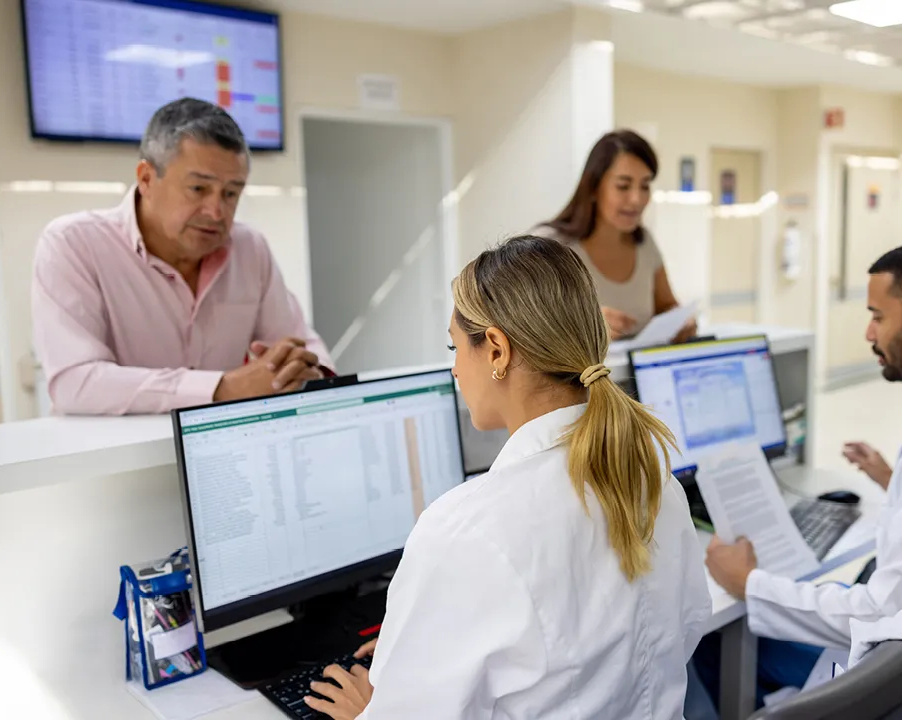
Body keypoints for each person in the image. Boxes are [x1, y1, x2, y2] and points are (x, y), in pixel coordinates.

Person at [300, 235, 711, 719]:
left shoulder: (467, 530)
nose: (454, 368)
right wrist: (416, 651)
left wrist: (371, 710)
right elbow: (680, 632)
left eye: (455, 347)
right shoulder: (649, 473)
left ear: (496, 349)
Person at [32, 98, 332, 415]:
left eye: (231, 193)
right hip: (119, 459)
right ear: (146, 178)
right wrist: (223, 388)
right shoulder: (74, 244)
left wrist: (306, 372)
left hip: (220, 455)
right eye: (198, 189)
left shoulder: (249, 248)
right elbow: (76, 383)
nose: (216, 212)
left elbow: (300, 343)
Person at [699, 246, 902, 705]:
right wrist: (892, 482)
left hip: (873, 666)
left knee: (714, 640)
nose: (868, 332)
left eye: (878, 316)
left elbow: (877, 610)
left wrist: (747, 583)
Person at [532, 130, 696, 341]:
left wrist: (680, 322)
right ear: (593, 188)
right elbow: (524, 326)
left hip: (639, 372)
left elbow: (666, 305)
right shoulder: (549, 246)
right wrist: (584, 324)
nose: (637, 199)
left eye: (645, 185)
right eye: (623, 186)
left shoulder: (645, 243)